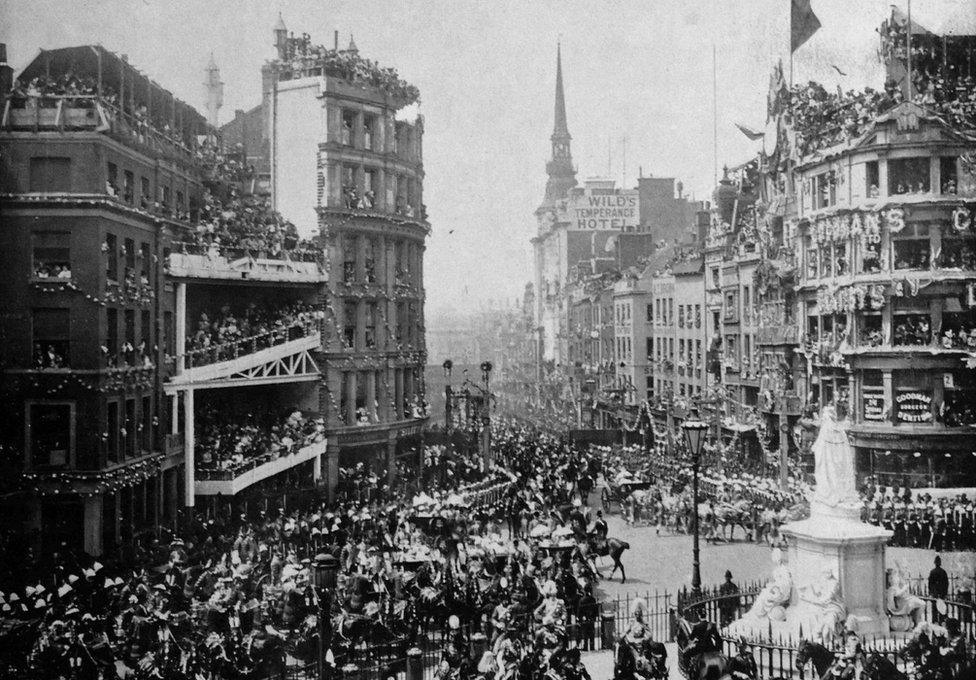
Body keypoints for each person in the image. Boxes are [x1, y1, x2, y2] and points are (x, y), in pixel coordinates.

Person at [928, 555, 949, 623]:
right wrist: (945, 593)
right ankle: (942, 621)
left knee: (934, 609)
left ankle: (935, 621)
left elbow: (930, 584)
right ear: (940, 563)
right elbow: (946, 583)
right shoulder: (943, 572)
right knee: (942, 608)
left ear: (935, 563)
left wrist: (931, 592)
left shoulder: (932, 572)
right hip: (942, 593)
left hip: (935, 593)